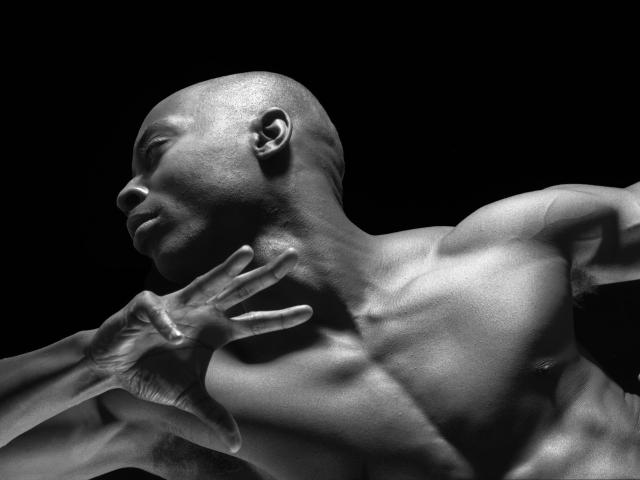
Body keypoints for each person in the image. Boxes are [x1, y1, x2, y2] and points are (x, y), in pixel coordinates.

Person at [0, 71, 638, 479]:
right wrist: (89, 361)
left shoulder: (513, 246)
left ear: (270, 133)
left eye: (156, 151)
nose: (125, 193)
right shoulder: (177, 396)